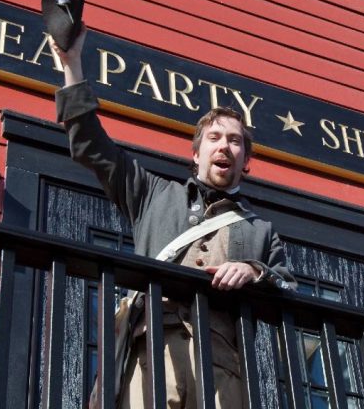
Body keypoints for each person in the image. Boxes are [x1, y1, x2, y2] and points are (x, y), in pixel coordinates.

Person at [52, 25, 295, 408]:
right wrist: (71, 65)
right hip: (151, 353)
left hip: (221, 367)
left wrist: (253, 270)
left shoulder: (261, 230)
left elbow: (288, 289)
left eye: (235, 141)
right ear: (195, 154)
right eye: (214, 138)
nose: (225, 147)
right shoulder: (152, 194)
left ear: (246, 162)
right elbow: (90, 145)